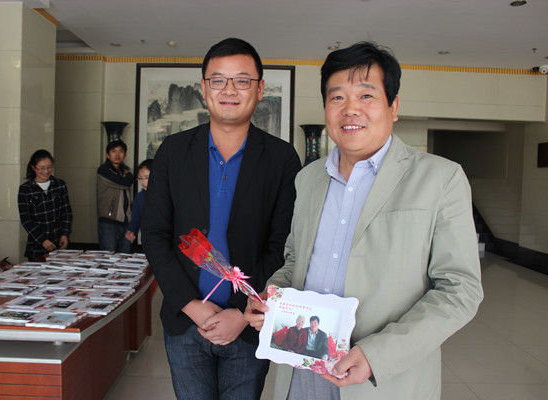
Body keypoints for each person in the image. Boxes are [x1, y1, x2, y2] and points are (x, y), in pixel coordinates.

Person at [245, 41, 484, 400]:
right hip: (300, 372)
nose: (350, 109)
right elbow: (294, 262)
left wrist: (377, 355)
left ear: (393, 106)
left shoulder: (440, 178)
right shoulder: (308, 179)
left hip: (384, 381)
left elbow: (460, 290)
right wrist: (271, 297)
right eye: (337, 97)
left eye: (366, 96)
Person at [141, 37, 302, 400]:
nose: (229, 90)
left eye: (242, 80)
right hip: (185, 321)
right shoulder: (173, 152)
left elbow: (283, 244)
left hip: (247, 324)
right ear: (204, 88)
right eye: (218, 80)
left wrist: (242, 314)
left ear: (260, 89)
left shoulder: (281, 159)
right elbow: (154, 234)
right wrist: (191, 306)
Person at [18, 149, 72, 261]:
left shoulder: (59, 184)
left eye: (49, 167)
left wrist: (65, 234)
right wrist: (43, 240)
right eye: (41, 168)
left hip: (59, 242)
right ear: (33, 167)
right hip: (36, 246)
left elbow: (66, 212)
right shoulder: (25, 189)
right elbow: (26, 220)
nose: (46, 171)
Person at [97, 139, 134, 253]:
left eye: (121, 151)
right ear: (108, 155)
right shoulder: (103, 170)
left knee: (125, 258)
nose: (117, 154)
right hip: (109, 221)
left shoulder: (124, 171)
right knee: (109, 257)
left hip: (125, 222)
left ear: (125, 155)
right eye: (113, 151)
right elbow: (126, 182)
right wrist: (128, 176)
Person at [125, 159, 152, 248]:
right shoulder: (140, 197)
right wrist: (131, 230)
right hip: (148, 239)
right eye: (140, 178)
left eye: (147, 178)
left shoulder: (167, 195)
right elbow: (136, 219)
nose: (143, 182)